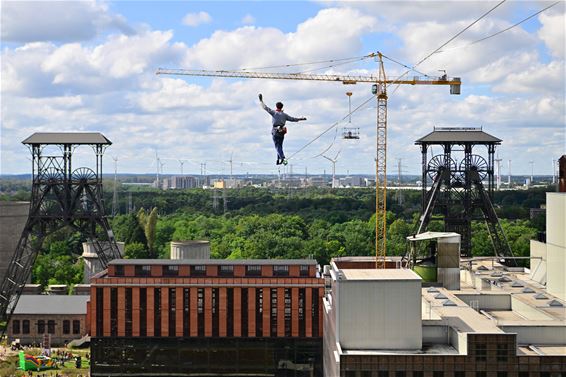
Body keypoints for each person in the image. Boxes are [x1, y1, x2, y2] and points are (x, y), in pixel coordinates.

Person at [259, 93, 307, 165]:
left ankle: (282, 158)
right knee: (280, 146)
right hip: (282, 131)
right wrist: (301, 119)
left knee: (277, 146)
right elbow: (293, 119)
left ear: (276, 106)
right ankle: (279, 160)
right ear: (282, 107)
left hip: (275, 131)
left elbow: (265, 107)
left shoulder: (274, 113)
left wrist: (261, 101)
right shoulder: (284, 115)